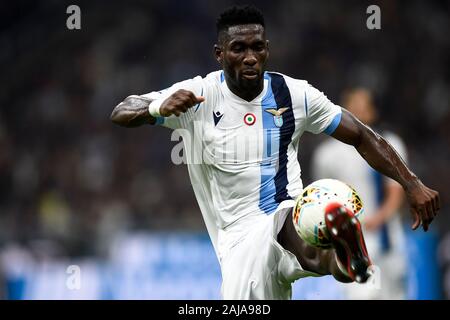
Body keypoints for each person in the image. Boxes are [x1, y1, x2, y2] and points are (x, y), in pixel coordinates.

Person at [110, 5, 440, 299]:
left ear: (267, 50)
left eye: (257, 47)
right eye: (238, 48)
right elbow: (122, 111)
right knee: (294, 253)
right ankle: (341, 257)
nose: (249, 56)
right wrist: (157, 107)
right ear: (219, 54)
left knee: (295, 230)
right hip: (239, 238)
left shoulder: (295, 94)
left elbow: (361, 134)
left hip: (288, 215)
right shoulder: (199, 95)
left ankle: (345, 257)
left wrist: (411, 183)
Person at [312, 88, 409, 299]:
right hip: (351, 239)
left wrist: (379, 219)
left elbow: (396, 191)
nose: (357, 112)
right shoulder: (327, 154)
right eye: (352, 107)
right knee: (361, 295)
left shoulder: (389, 145)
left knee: (394, 295)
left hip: (388, 236)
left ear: (373, 112)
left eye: (362, 107)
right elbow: (320, 198)